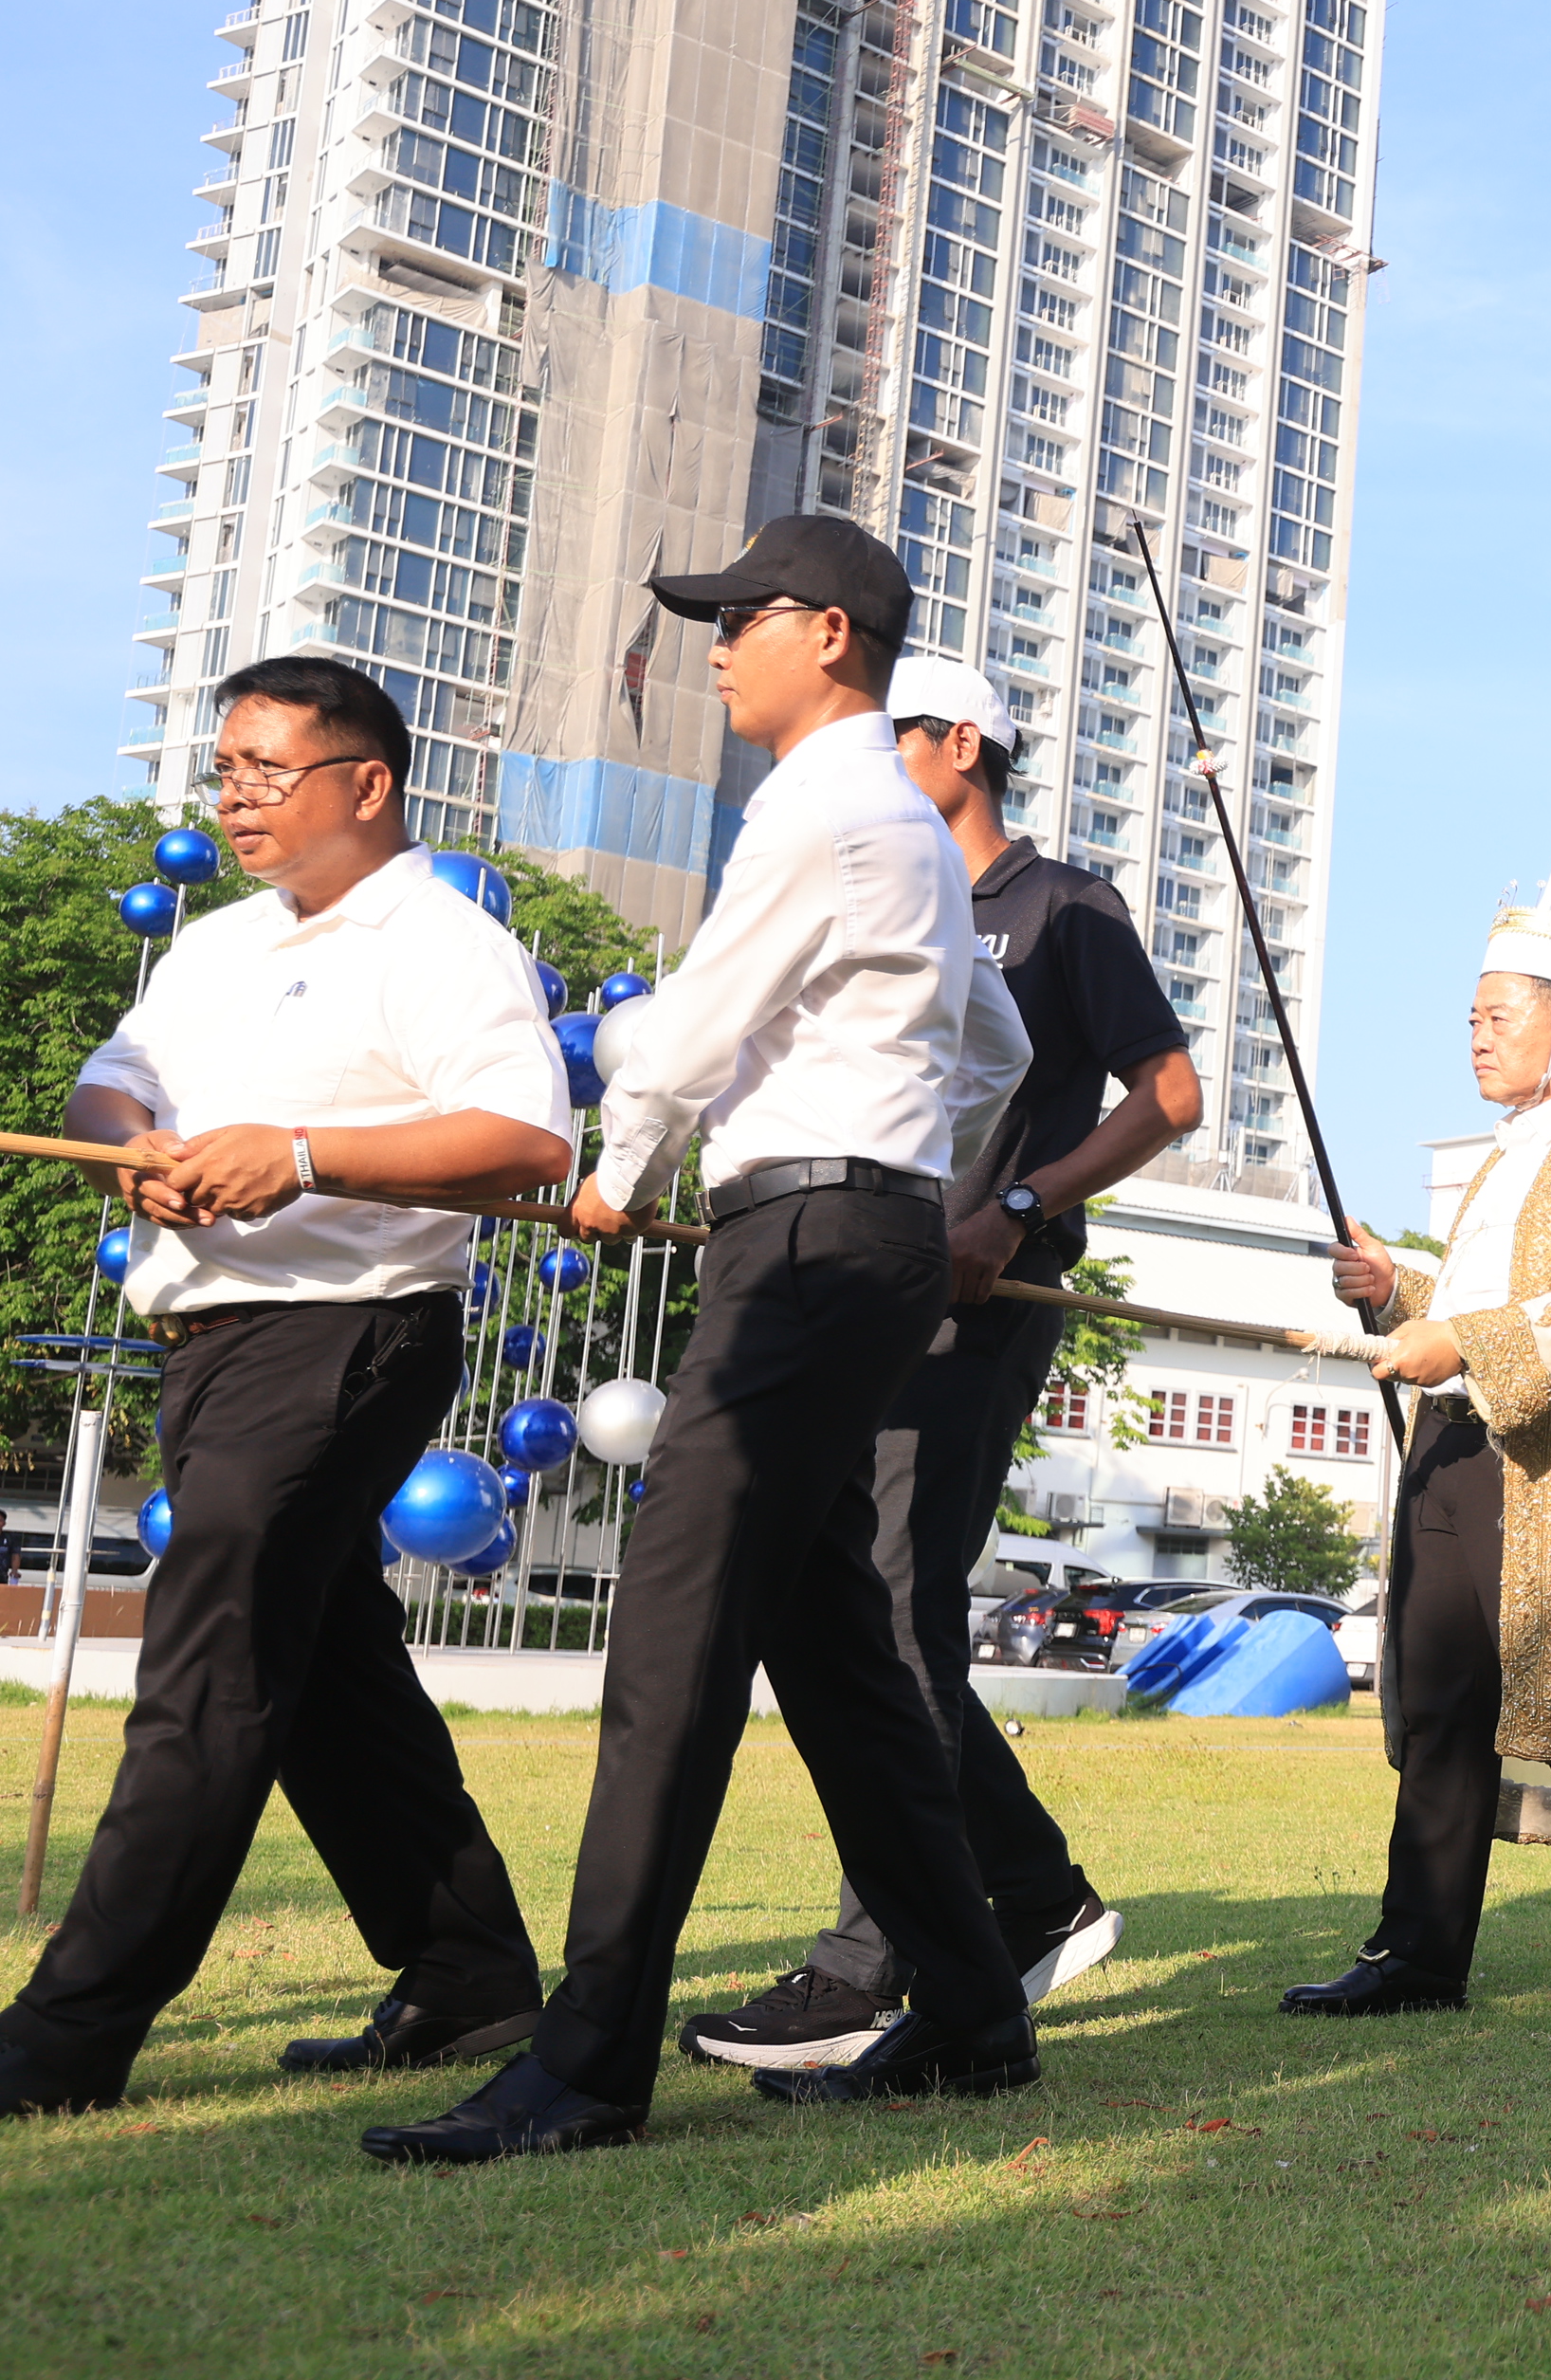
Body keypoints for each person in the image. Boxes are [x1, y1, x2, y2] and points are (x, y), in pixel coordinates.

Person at [364, 515, 1041, 2163]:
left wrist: (620, 1174)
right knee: (836, 1651)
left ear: (830, 634)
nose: (717, 647)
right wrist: (898, 1147)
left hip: (803, 1246)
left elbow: (685, 1033)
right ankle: (972, 2014)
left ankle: (588, 2063)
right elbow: (1000, 1046)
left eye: (740, 617)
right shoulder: (903, 822)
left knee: (673, 1639)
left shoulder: (818, 803)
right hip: (857, 1234)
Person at [0, 657, 565, 2115]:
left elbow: (525, 1139)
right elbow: (110, 1085)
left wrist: (300, 1155)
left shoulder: (439, 941)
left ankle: (63, 2038)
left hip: (347, 1327)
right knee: (319, 1673)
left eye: (270, 770)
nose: (238, 798)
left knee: (210, 1674)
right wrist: (130, 1145)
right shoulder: (217, 944)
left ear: (366, 782)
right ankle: (469, 1975)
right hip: (207, 1338)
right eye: (227, 771)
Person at [679, 656, 1201, 2066]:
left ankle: (868, 1966)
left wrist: (1019, 1204)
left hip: (978, 1305)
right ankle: (1030, 1894)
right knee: (848, 1613)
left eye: (892, 733)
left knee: (900, 1618)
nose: (862, 756)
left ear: (963, 742)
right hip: (849, 1293)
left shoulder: (1063, 905)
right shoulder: (875, 886)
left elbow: (1171, 1093)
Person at [1286, 719, 1551, 2016]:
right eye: (1470, 1017)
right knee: (1441, 1701)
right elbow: (1477, 1302)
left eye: (1499, 1017)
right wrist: (1399, 1289)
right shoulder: (1502, 1152)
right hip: (1452, 1448)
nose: (1475, 1036)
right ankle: (1418, 1955)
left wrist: (1460, 1339)